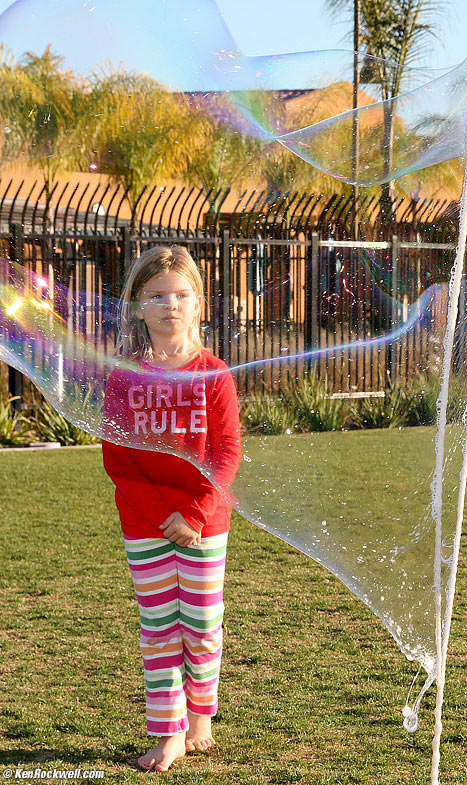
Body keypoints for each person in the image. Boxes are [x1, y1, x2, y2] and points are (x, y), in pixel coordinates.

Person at [102, 245, 241, 773]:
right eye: (157, 296)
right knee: (159, 629)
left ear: (199, 303)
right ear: (139, 306)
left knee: (202, 626)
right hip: (146, 524)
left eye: (182, 295)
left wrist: (195, 514)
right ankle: (169, 733)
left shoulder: (214, 373)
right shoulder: (124, 377)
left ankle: (201, 716)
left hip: (206, 521)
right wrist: (166, 515)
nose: (170, 305)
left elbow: (227, 452)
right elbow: (117, 457)